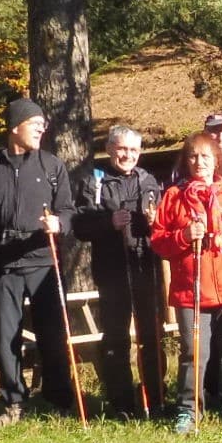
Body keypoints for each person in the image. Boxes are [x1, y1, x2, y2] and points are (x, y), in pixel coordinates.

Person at [0, 97, 75, 424]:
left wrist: (60, 224)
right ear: (15, 126)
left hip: (43, 261)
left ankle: (58, 400)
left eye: (43, 123)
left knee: (52, 335)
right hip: (2, 263)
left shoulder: (52, 166)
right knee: (5, 337)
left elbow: (68, 210)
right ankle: (13, 404)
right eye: (35, 123)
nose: (42, 128)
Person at [151, 132, 222, 431]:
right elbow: (159, 242)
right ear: (186, 160)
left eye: (205, 156)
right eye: (193, 156)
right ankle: (189, 409)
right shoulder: (174, 197)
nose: (199, 162)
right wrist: (184, 236)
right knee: (193, 353)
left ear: (216, 160)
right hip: (192, 289)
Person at [71, 126, 163, 418]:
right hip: (111, 270)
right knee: (116, 337)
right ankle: (120, 401)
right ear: (110, 149)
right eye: (122, 149)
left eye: (134, 150)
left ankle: (155, 396)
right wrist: (108, 223)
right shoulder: (94, 181)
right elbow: (79, 225)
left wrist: (154, 221)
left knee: (151, 334)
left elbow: (164, 222)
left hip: (145, 266)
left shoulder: (149, 181)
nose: (128, 155)